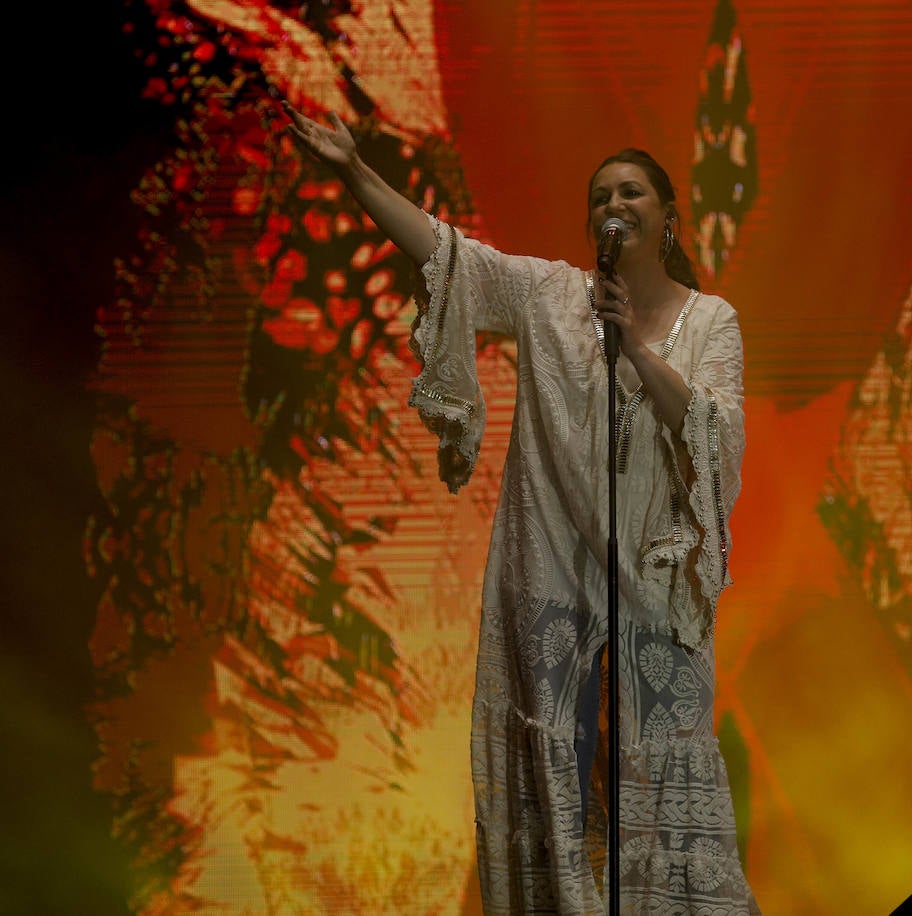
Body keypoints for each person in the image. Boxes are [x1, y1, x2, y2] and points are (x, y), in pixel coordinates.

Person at [283, 105, 760, 914]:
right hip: (552, 594)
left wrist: (635, 351)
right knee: (559, 807)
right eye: (601, 193)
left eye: (633, 190)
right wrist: (354, 172)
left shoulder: (711, 320)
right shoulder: (547, 295)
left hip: (652, 599)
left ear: (668, 218)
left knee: (661, 797)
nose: (615, 202)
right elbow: (446, 252)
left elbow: (713, 428)